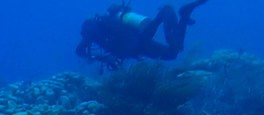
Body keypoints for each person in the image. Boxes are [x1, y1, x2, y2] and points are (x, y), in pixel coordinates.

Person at [76, 1, 209, 69]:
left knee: (173, 51)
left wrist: (101, 57)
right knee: (172, 52)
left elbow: (80, 51)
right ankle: (180, 15)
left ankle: (179, 15)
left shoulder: (90, 31)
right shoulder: (105, 24)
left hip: (136, 45)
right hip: (139, 37)